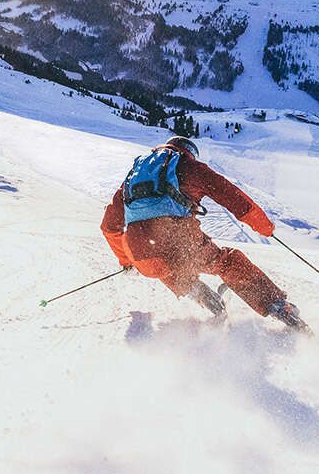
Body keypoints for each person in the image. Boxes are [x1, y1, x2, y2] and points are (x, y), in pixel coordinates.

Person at [100, 136, 306, 331]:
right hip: (175, 237)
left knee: (163, 264)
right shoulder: (188, 167)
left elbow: (109, 226)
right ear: (189, 152)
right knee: (226, 262)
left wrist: (127, 261)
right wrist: (264, 226)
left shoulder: (134, 178)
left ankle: (204, 297)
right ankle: (278, 306)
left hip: (139, 253)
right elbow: (231, 196)